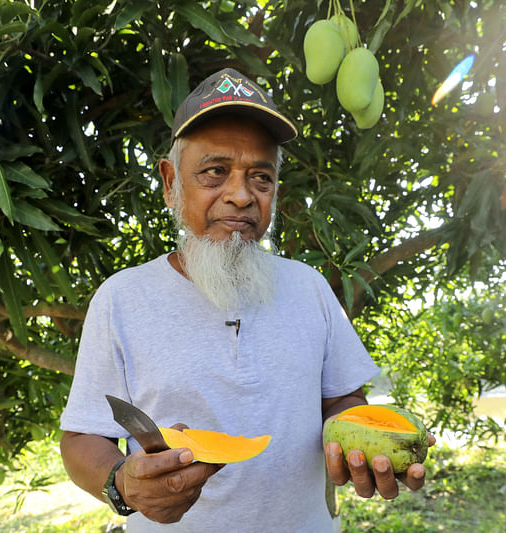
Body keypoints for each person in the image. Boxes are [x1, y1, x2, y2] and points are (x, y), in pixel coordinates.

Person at [59, 68, 433, 532]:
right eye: (215, 172)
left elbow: (343, 400)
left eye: (261, 177)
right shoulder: (122, 298)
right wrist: (120, 483)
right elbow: (82, 435)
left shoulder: (309, 287)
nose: (240, 195)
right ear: (171, 181)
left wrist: (360, 445)